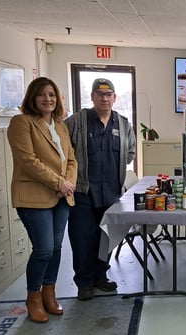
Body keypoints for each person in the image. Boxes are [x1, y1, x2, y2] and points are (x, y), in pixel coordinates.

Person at [7, 77, 77, 323]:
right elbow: (28, 161)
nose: (48, 99)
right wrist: (59, 183)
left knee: (56, 248)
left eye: (52, 95)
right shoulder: (22, 123)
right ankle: (33, 297)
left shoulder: (61, 126)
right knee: (44, 249)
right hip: (33, 197)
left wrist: (68, 184)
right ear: (32, 98)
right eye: (42, 95)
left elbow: (71, 160)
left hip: (61, 197)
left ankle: (50, 293)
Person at [65, 78, 136, 300]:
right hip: (83, 192)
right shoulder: (76, 122)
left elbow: (130, 152)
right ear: (92, 97)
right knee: (83, 238)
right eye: (99, 94)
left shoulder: (123, 124)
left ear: (114, 98)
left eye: (108, 95)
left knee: (105, 236)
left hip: (112, 193)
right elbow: (63, 154)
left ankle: (100, 277)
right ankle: (84, 282)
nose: (104, 99)